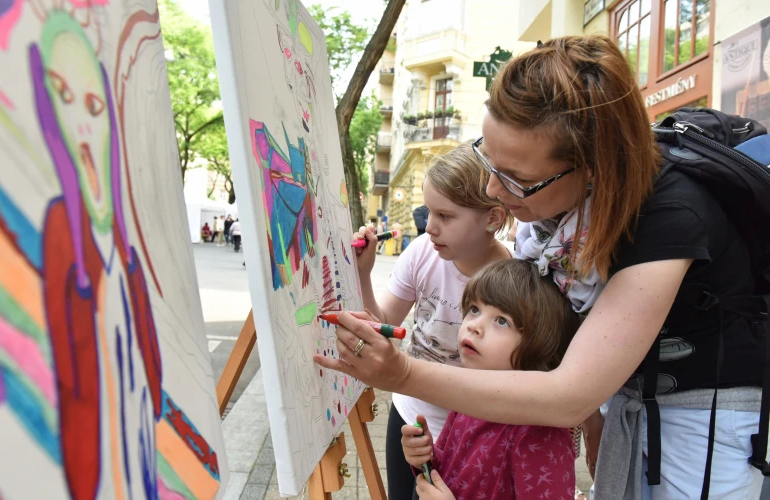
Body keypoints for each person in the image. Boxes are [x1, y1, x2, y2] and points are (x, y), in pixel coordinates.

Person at [315, 35, 769, 499]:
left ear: (592, 167)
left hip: (703, 422)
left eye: (518, 179)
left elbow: (570, 394)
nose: (492, 189)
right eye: (488, 161)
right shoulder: (559, 223)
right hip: (637, 401)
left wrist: (403, 375)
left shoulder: (671, 214)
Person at [351, 143, 512, 500]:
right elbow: (384, 324)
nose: (430, 227)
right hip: (409, 413)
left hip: (470, 430)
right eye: (428, 212)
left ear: (493, 218)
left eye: (446, 216)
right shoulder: (423, 251)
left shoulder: (513, 281)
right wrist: (364, 274)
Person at [402, 259, 579, 500]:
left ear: (540, 345)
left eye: (502, 321)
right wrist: (427, 457)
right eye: (474, 309)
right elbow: (454, 471)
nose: (474, 326)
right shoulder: (468, 396)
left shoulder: (540, 435)